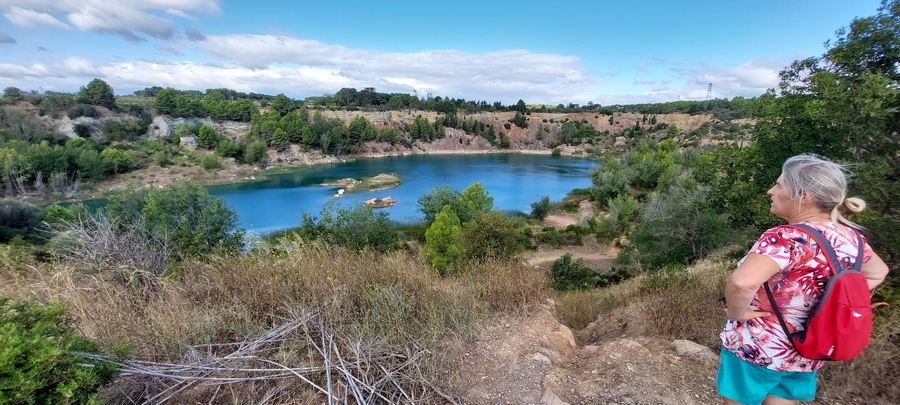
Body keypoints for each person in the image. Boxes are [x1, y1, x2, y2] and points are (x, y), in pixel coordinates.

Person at [717, 154, 890, 405]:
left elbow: (741, 283)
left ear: (804, 196)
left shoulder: (786, 238)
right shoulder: (850, 238)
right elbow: (878, 273)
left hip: (758, 348)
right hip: (807, 349)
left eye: (778, 185)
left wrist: (737, 313)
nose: (770, 191)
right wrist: (828, 300)